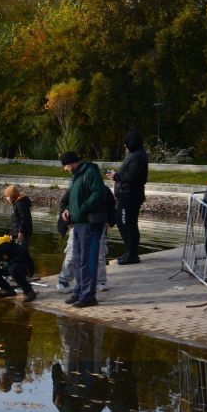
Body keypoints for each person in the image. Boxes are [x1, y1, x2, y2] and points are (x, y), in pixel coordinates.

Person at [48, 319, 109, 412]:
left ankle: (80, 326)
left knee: (75, 356)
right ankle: (86, 326)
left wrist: (61, 406)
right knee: (86, 359)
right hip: (85, 394)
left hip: (74, 393)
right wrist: (71, 409)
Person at [59, 151, 108, 308]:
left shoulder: (90, 172)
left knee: (88, 261)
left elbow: (98, 193)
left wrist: (83, 208)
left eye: (65, 166)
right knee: (78, 260)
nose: (65, 169)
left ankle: (88, 296)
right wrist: (68, 209)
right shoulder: (76, 176)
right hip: (78, 223)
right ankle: (79, 291)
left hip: (89, 224)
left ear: (72, 163)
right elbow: (72, 197)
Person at [106, 130, 148, 265]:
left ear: (132, 142)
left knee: (127, 224)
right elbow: (128, 172)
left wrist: (116, 176)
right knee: (123, 223)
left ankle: (132, 255)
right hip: (126, 195)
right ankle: (130, 252)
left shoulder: (138, 156)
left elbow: (132, 176)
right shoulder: (135, 155)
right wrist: (116, 175)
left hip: (130, 196)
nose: (125, 146)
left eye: (126, 143)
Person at [56, 189, 108, 292]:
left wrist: (110, 220)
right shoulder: (74, 187)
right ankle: (63, 280)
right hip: (77, 224)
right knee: (72, 253)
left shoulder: (102, 188)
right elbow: (64, 202)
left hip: (97, 225)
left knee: (99, 254)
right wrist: (65, 214)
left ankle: (101, 281)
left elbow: (110, 204)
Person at [4, 184, 33, 250]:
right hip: (17, 234)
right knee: (17, 252)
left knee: (21, 252)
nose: (6, 198)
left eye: (7, 196)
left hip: (22, 235)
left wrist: (21, 232)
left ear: (12, 196)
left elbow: (25, 219)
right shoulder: (16, 204)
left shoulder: (20, 204)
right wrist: (12, 234)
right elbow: (15, 221)